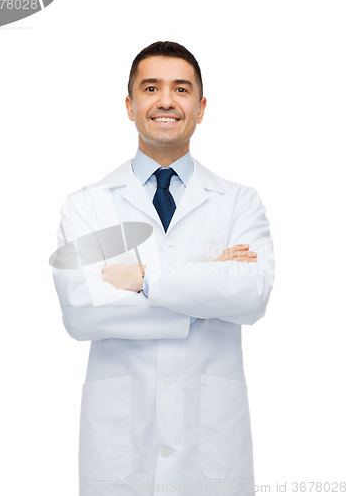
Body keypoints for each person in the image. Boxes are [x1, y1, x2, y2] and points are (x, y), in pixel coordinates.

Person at [51, 41, 275, 496]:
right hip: (120, 449)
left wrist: (141, 278)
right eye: (151, 88)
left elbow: (250, 294)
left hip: (212, 447)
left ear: (201, 107)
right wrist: (206, 284)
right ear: (130, 105)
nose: (166, 101)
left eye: (181, 89)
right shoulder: (88, 204)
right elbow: (82, 308)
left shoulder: (238, 202)